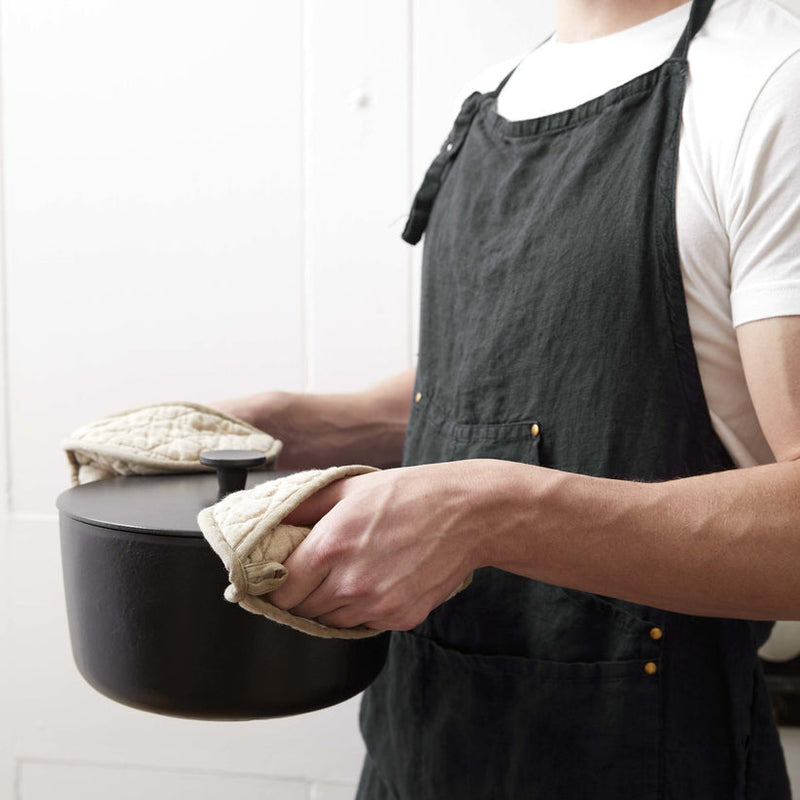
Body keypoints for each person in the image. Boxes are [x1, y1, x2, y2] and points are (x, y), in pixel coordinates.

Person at [214, 0, 800, 796]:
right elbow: (520, 387)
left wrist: (494, 512)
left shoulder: (774, 84)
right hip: (415, 755)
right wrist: (310, 424)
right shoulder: (495, 92)